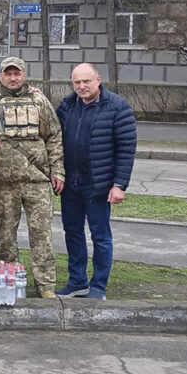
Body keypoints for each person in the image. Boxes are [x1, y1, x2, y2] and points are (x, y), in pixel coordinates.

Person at [0, 57, 64, 299]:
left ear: (24, 74)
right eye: (7, 73)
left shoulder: (40, 101)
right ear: (0, 76)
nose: (12, 78)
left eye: (16, 73)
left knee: (41, 235)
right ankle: (10, 282)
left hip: (37, 181)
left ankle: (46, 285)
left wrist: (58, 170)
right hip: (3, 183)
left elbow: (54, 136)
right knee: (6, 236)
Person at [55, 63, 137, 300]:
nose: (82, 86)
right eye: (77, 82)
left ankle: (98, 286)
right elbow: (52, 134)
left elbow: (126, 149)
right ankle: (77, 281)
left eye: (86, 81)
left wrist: (119, 184)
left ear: (98, 80)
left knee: (100, 237)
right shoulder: (67, 106)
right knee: (72, 232)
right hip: (70, 184)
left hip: (99, 186)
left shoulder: (118, 107)